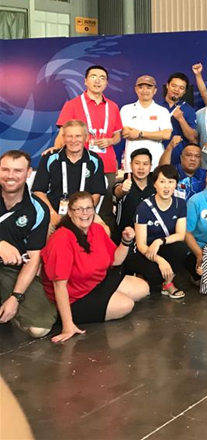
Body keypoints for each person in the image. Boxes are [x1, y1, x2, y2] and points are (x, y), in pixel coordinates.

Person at [40, 192, 149, 343]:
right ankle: (68, 316)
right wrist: (68, 325)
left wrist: (126, 241)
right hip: (75, 296)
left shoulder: (96, 229)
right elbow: (59, 286)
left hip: (94, 281)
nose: (85, 213)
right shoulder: (61, 239)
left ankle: (106, 298)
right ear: (70, 212)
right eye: (79, 209)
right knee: (126, 305)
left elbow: (115, 261)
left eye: (88, 208)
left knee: (143, 288)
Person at [0, 150, 55, 338]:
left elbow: (33, 259)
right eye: (5, 169)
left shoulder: (38, 209)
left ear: (29, 173)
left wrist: (15, 298)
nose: (10, 176)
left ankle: (9, 310)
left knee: (40, 328)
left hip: (11, 270)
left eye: (17, 170)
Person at [53, 65, 122, 192]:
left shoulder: (113, 106)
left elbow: (117, 136)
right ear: (85, 81)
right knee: (78, 201)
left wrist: (110, 141)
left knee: (105, 202)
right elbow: (62, 135)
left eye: (102, 78)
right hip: (78, 163)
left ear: (106, 83)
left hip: (107, 164)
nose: (97, 81)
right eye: (93, 77)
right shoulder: (72, 105)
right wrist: (56, 157)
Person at [125, 165, 187, 298]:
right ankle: (142, 276)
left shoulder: (180, 204)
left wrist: (159, 241)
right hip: (143, 252)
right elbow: (140, 244)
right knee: (155, 274)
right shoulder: (144, 207)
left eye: (171, 182)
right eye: (162, 181)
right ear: (154, 184)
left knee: (181, 248)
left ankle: (168, 284)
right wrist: (160, 261)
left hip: (162, 246)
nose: (166, 186)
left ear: (176, 184)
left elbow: (181, 235)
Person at [33, 120, 106, 231]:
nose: (73, 140)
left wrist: (84, 213)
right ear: (63, 138)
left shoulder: (95, 160)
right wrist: (52, 214)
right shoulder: (49, 158)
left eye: (78, 136)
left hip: (84, 213)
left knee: (104, 231)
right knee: (45, 233)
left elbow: (96, 194)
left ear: (86, 138)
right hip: (54, 212)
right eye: (69, 136)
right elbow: (38, 191)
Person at [120, 75, 172, 171]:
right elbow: (126, 133)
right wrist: (155, 135)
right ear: (136, 89)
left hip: (155, 161)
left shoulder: (162, 111)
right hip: (132, 162)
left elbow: (166, 134)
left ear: (155, 90)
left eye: (149, 87)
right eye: (141, 87)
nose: (144, 91)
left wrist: (140, 133)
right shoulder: (126, 109)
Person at [113, 148, 155, 244]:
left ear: (150, 166)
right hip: (124, 236)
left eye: (145, 164)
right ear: (131, 165)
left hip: (151, 236)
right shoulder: (123, 183)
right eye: (137, 163)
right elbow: (118, 191)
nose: (141, 168)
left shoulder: (156, 185)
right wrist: (123, 189)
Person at [159, 72, 199, 165]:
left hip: (178, 158)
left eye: (181, 88)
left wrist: (181, 119)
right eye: (174, 86)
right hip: (157, 153)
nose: (177, 90)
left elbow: (192, 137)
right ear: (167, 85)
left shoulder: (189, 110)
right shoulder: (156, 107)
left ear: (185, 91)